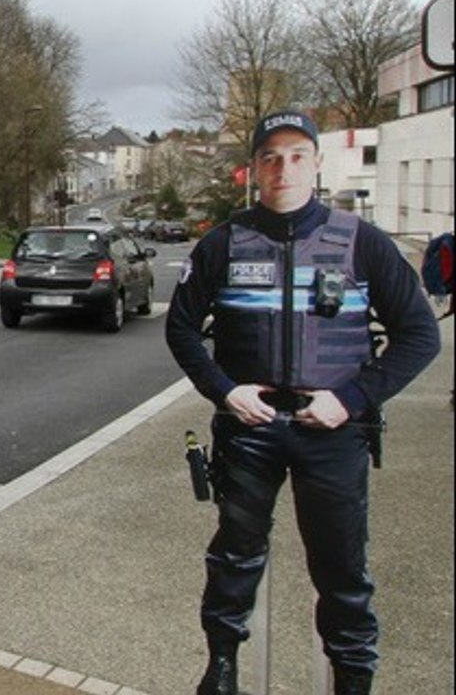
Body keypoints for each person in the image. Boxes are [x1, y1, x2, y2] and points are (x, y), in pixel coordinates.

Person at [165, 110, 440, 695]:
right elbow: (182, 328)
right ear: (255, 169)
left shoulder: (362, 243)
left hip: (333, 433)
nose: (282, 168)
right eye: (269, 157)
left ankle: (353, 681)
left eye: (295, 156)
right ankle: (220, 670)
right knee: (234, 560)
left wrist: (352, 398)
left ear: (316, 163)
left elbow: (420, 334)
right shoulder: (225, 242)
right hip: (249, 429)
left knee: (342, 573)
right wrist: (224, 390)